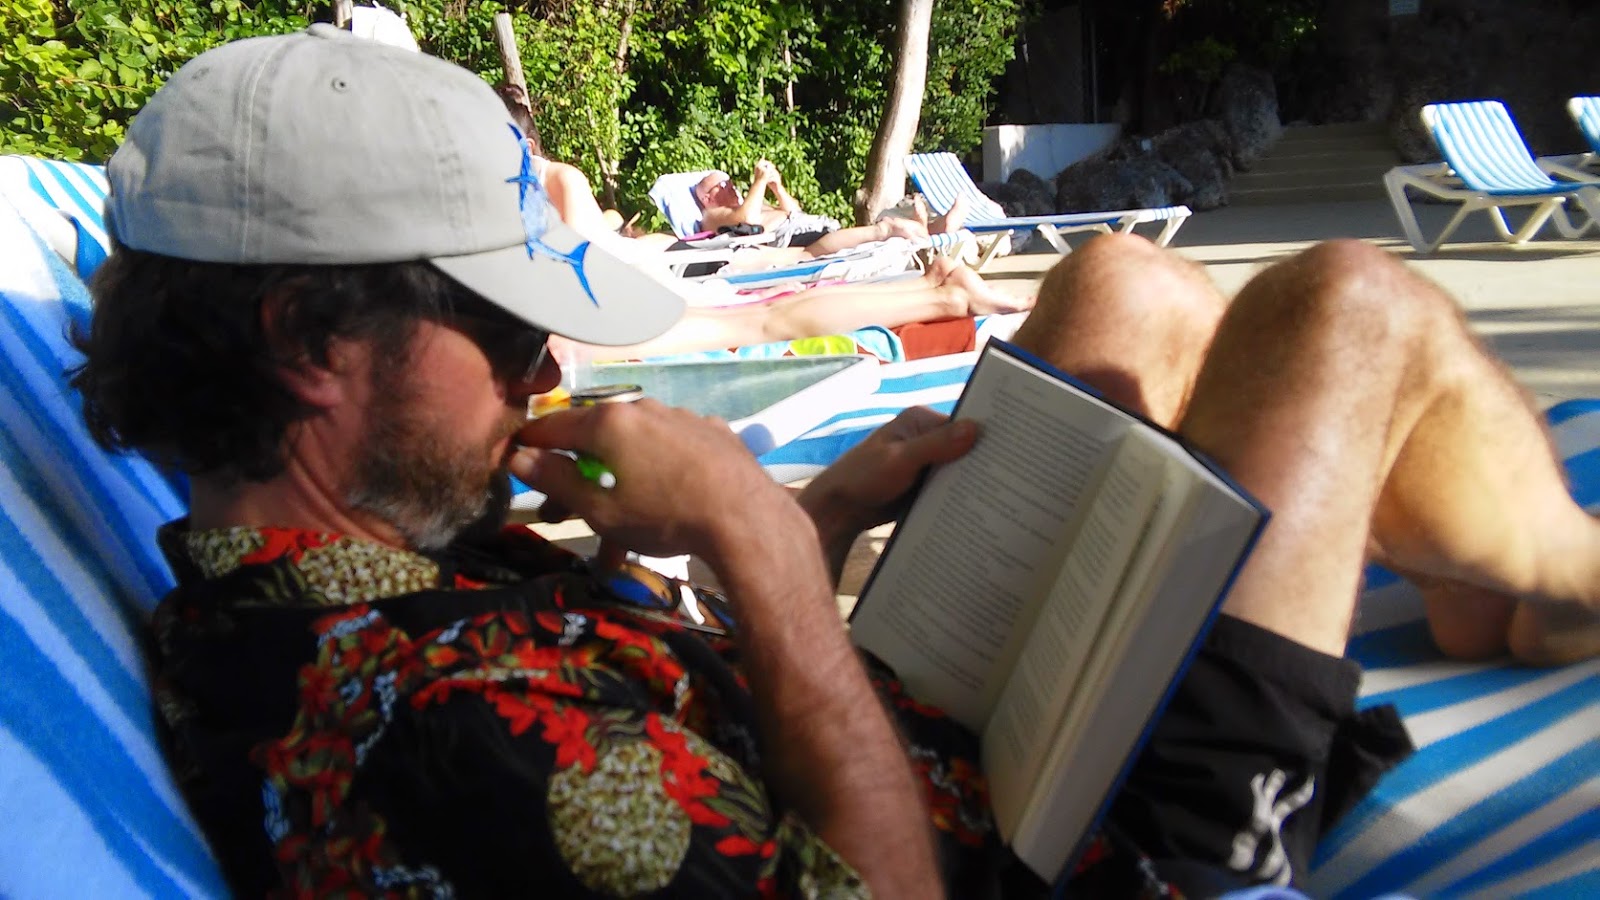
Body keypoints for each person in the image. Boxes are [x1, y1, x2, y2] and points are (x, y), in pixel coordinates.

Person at [76, 27, 1600, 899]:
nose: (547, 374)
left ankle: (1478, 572)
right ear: (311, 343)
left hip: (929, 744)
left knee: (1125, 284)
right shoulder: (451, 738)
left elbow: (687, 723)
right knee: (1347, 308)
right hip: (1091, 855)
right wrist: (761, 543)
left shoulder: (371, 549)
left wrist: (816, 518)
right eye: (509, 330)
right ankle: (1562, 578)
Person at [693, 161, 969, 258]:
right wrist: (759, 183)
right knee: (882, 231)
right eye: (722, 185)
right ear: (707, 197)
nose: (730, 186)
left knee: (865, 236)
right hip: (792, 242)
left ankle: (934, 228)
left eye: (730, 182)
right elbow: (746, 221)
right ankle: (909, 229)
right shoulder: (712, 215)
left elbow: (794, 211)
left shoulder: (752, 202)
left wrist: (777, 188)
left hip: (807, 227)